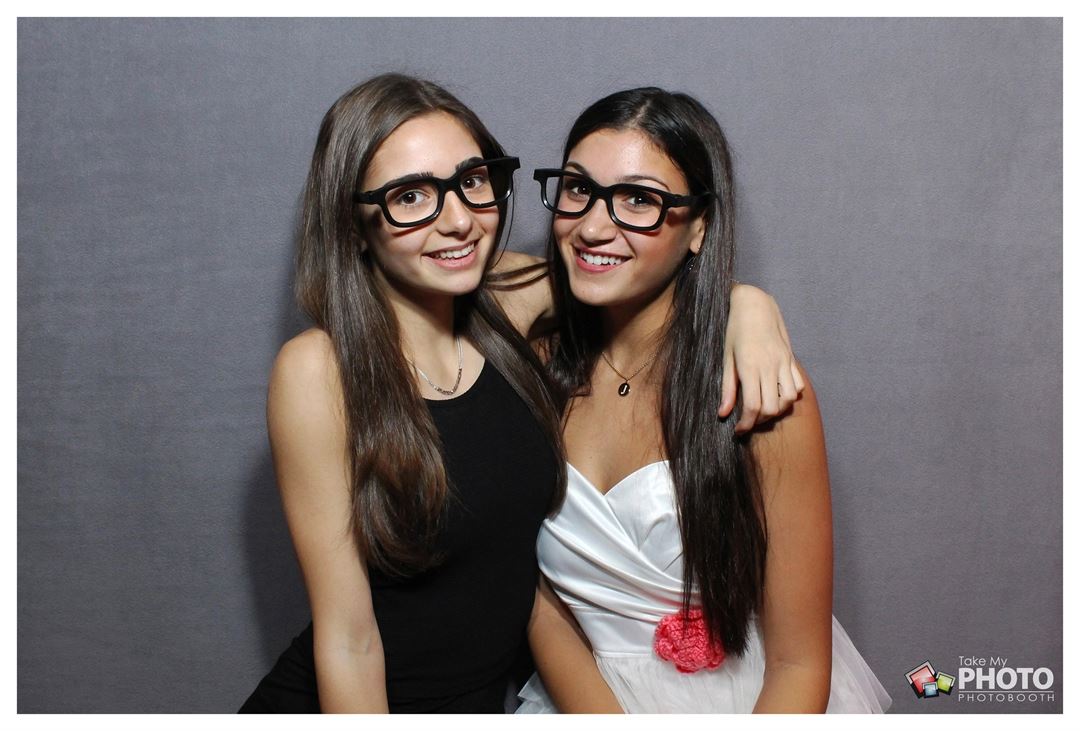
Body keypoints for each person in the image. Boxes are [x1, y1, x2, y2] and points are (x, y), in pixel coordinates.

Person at [239, 74, 800, 714]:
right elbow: (349, 641)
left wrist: (746, 303)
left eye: (472, 180)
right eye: (411, 195)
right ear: (353, 223)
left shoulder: (506, 303)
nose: (458, 220)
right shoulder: (318, 371)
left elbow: (641, 267)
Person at [517, 87, 891, 713]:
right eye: (579, 188)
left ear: (699, 226)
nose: (593, 225)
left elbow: (799, 664)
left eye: (639, 199)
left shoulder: (759, 388)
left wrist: (738, 299)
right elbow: (538, 607)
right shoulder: (532, 369)